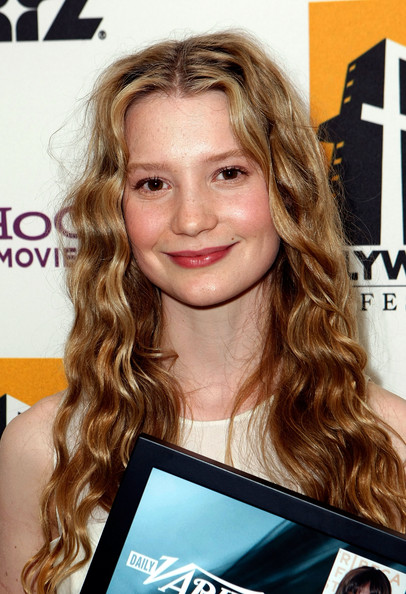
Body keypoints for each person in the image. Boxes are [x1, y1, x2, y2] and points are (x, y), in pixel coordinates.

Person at [0, 30, 405, 594]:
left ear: (288, 188)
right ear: (115, 209)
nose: (191, 218)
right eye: (153, 183)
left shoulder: (390, 441)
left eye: (228, 173)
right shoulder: (46, 449)